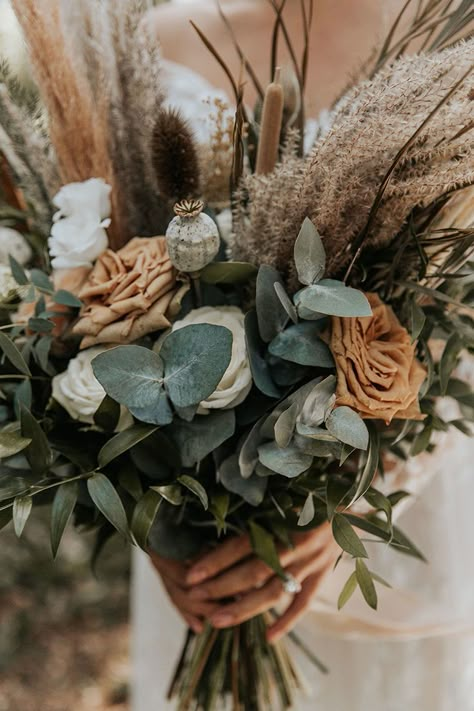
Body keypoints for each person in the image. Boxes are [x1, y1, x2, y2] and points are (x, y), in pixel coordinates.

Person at [131, 2, 474, 709]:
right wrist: (149, 519)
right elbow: (98, 291)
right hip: (199, 542)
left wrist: (362, 490)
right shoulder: (157, 43)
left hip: (386, 520)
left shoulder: (452, 43)